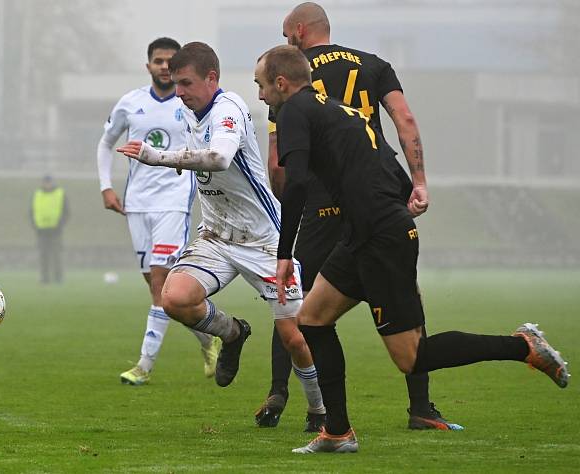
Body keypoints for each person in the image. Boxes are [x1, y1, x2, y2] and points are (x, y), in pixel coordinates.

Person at [254, 44, 569, 454]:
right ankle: (337, 432)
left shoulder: (295, 109)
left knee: (412, 357)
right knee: (311, 320)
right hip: (364, 233)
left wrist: (284, 254)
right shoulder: (337, 109)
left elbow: (294, 183)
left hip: (380, 237)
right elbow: (382, 158)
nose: (260, 95)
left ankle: (522, 345)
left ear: (281, 83)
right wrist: (407, 193)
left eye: (261, 85)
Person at [255, 1, 460, 432]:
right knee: (407, 297)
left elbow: (280, 162)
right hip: (377, 196)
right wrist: (418, 182)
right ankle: (421, 407)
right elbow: (404, 119)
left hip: (323, 200)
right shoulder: (374, 64)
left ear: (297, 31)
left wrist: (289, 202)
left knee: (296, 299)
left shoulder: (291, 75)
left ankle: (280, 392)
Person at [117, 41, 327, 430]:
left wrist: (159, 157)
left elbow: (219, 157)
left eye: (186, 83)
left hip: (263, 239)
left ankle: (319, 411)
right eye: (176, 84)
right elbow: (195, 151)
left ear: (212, 78)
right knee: (174, 298)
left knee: (293, 337)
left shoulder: (229, 108)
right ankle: (233, 333)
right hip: (215, 236)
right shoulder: (186, 109)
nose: (179, 91)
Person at [97, 37, 221, 386]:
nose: (164, 66)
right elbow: (106, 144)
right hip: (137, 203)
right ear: (148, 65)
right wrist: (106, 186)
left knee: (159, 285)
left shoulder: (192, 103)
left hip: (174, 200)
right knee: (162, 292)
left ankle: (143, 366)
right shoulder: (131, 103)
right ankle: (207, 336)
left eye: (170, 61)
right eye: (158, 61)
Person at [31, 175, 69, 284]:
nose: (47, 185)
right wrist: (35, 225)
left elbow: (66, 212)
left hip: (56, 231)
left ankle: (58, 278)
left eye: (49, 182)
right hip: (41, 231)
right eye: (45, 182)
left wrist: (60, 225)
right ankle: (44, 279)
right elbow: (32, 211)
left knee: (57, 255)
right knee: (43, 256)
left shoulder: (60, 194)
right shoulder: (37, 194)